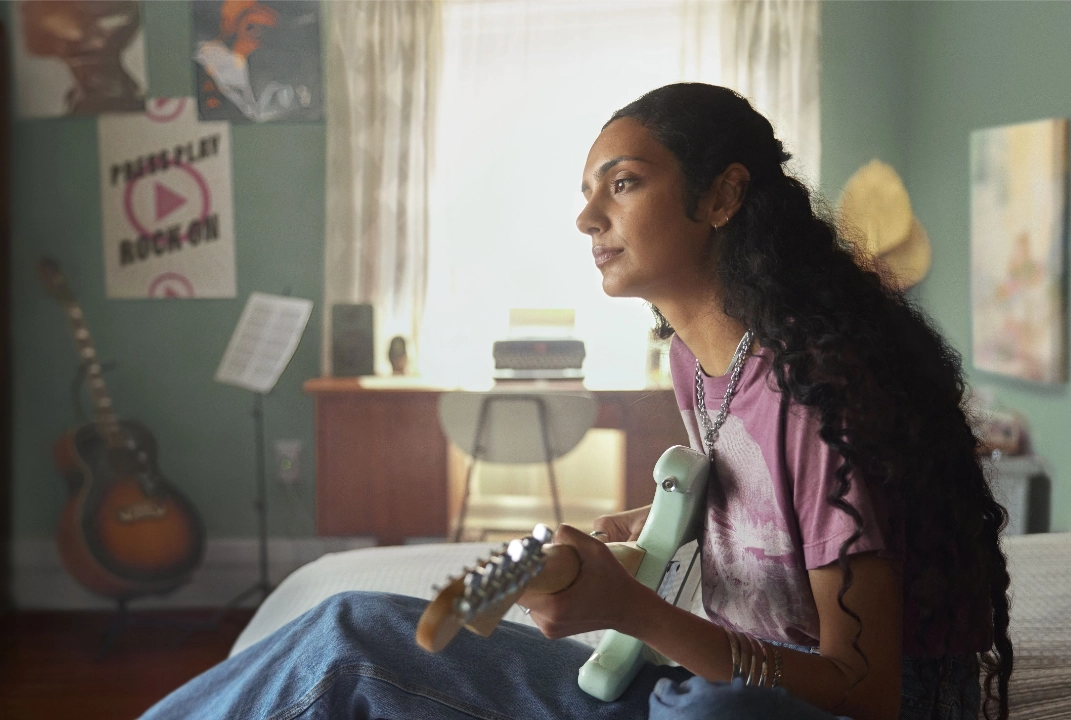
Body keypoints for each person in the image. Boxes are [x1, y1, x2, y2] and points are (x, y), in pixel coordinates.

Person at [141, 83, 1013, 720]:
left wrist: (632, 612)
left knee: (714, 715)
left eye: (623, 183)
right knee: (349, 631)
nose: (587, 218)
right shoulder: (699, 363)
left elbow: (867, 695)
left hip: (800, 707)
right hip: (716, 689)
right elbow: (760, 511)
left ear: (723, 195)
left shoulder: (824, 395)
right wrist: (632, 533)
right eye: (588, 191)